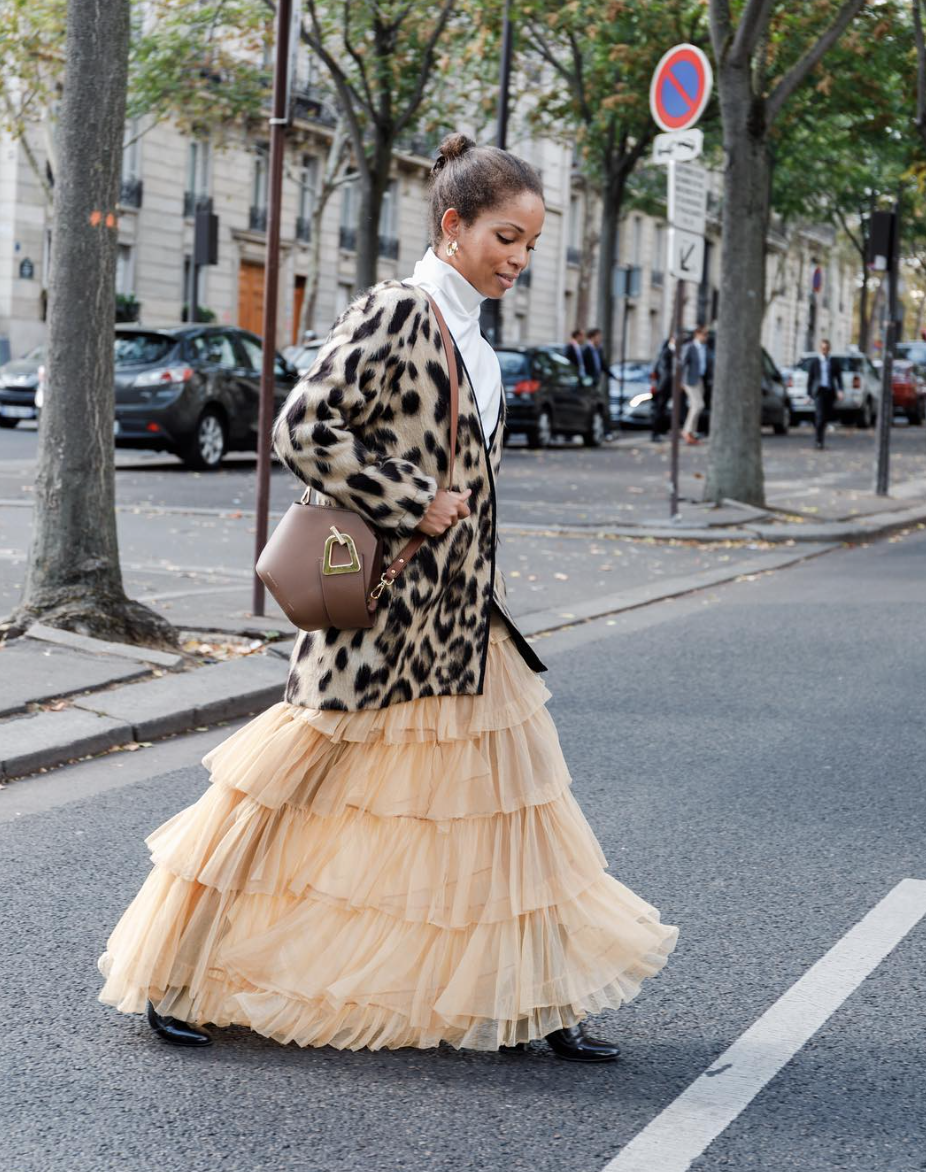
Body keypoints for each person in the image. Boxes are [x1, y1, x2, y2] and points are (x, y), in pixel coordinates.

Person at [97, 132, 677, 1064]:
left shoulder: (475, 335)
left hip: (466, 623)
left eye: (531, 243)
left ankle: (540, 999)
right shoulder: (400, 311)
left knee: (510, 813)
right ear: (452, 226)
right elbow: (302, 428)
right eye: (505, 237)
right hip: (380, 617)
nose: (520, 259)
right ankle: (176, 972)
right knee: (285, 794)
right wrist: (414, 498)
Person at [807, 338, 843, 449]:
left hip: (829, 391)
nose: (824, 350)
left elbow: (839, 377)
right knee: (820, 416)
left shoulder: (834, 362)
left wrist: (840, 390)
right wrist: (809, 394)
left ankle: (821, 437)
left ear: (829, 349)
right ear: (820, 349)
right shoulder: (815, 362)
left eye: (826, 348)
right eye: (823, 348)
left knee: (826, 417)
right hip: (819, 392)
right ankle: (818, 441)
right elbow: (810, 379)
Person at [681, 324, 710, 445]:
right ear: (697, 334)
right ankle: (687, 430)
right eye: (704, 334)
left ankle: (692, 432)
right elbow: (682, 364)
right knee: (698, 405)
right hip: (690, 380)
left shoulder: (705, 348)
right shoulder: (689, 347)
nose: (706, 337)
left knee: (695, 406)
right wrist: (681, 381)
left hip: (700, 379)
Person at [651, 335, 675, 441]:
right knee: (659, 410)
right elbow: (665, 371)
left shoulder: (669, 352)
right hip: (663, 386)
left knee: (662, 410)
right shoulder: (666, 352)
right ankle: (655, 433)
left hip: (665, 385)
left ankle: (660, 431)